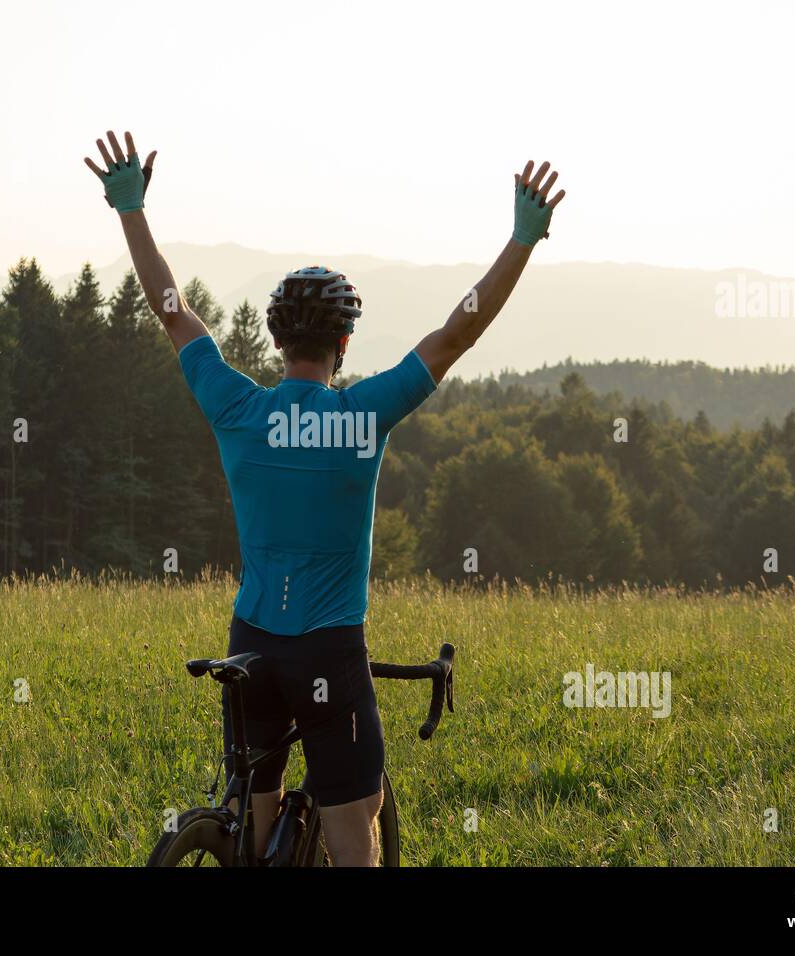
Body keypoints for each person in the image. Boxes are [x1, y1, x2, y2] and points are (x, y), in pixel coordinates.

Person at [84, 130, 565, 865]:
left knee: (256, 822)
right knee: (355, 823)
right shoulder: (362, 417)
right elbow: (458, 332)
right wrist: (521, 240)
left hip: (250, 643)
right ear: (342, 345)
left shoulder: (237, 408)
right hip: (328, 651)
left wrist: (131, 212)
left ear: (277, 342)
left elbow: (173, 311)